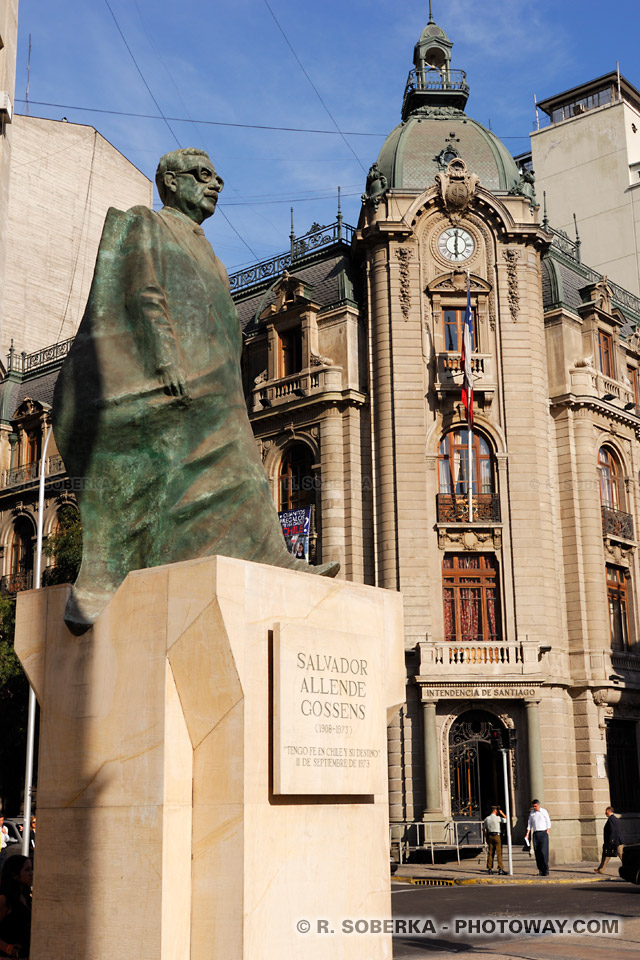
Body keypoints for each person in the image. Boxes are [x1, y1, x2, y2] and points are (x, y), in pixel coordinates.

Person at [53, 148, 338, 633]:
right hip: (171, 375)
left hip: (216, 383)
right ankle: (121, 567)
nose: (216, 185)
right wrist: (165, 359)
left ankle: (271, 555)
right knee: (234, 462)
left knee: (246, 467)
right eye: (204, 175)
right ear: (171, 182)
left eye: (218, 177)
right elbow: (143, 293)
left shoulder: (211, 252)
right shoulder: (148, 223)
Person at [0, 855, 32, 958]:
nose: (31, 874)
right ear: (14, 875)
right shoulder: (4, 899)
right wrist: (7, 948)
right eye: (27, 870)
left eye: (31, 869)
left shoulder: (27, 898)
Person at [525, 798, 551, 876]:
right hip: (536, 833)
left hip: (543, 832)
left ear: (539, 805)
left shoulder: (543, 811)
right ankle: (540, 870)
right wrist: (527, 833)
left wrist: (547, 830)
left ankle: (546, 869)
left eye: (535, 806)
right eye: (533, 806)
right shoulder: (532, 813)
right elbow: (530, 824)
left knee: (544, 852)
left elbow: (548, 821)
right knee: (537, 852)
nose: (534, 808)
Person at [595, 806, 623, 874]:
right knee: (606, 855)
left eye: (606, 811)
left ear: (609, 811)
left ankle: (630, 867)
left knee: (621, 854)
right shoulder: (615, 819)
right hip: (616, 840)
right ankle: (600, 869)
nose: (605, 813)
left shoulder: (611, 819)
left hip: (614, 841)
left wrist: (612, 840)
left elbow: (613, 830)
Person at [483, 804, 507, 875]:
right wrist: (502, 813)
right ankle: (500, 869)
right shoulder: (497, 818)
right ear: (496, 811)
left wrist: (486, 837)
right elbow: (506, 820)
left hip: (490, 836)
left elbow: (484, 829)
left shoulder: (487, 818)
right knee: (499, 853)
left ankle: (489, 868)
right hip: (497, 836)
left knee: (490, 853)